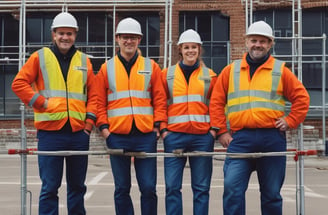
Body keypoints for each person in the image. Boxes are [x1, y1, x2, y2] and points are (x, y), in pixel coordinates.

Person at [209, 20, 310, 215]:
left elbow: (302, 98)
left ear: (270, 44)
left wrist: (290, 120)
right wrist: (221, 131)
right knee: (232, 189)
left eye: (263, 41)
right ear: (246, 42)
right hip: (240, 138)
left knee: (271, 194)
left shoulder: (281, 71)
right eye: (254, 40)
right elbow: (216, 102)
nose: (258, 45)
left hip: (272, 138)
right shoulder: (231, 70)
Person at [11, 12, 97, 215]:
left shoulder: (85, 61)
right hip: (50, 134)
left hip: (78, 134)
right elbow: (18, 83)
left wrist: (88, 125)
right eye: (61, 33)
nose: (65, 37)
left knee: (78, 187)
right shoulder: (40, 57)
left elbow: (93, 96)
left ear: (75, 35)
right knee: (50, 188)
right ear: (53, 35)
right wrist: (41, 103)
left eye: (69, 33)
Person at [96, 17, 167, 215]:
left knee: (148, 188)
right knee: (121, 189)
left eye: (133, 37)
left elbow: (160, 100)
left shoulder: (151, 66)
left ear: (140, 40)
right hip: (116, 135)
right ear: (117, 39)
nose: (129, 41)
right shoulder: (106, 68)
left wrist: (156, 129)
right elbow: (99, 102)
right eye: (125, 37)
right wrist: (105, 131)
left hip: (145, 135)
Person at [161, 29, 217, 215]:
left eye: (194, 47)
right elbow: (160, 104)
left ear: (199, 50)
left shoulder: (210, 76)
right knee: (172, 187)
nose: (190, 51)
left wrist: (213, 131)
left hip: (202, 137)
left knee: (201, 188)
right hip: (174, 136)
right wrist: (163, 131)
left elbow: (217, 106)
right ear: (180, 50)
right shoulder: (167, 75)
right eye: (187, 47)